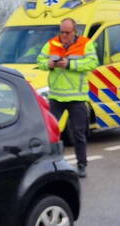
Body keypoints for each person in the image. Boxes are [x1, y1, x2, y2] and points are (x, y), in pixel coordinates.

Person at [37, 18, 98, 177]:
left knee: (79, 133)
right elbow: (39, 60)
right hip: (56, 96)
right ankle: (50, 164)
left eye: (67, 32)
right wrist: (49, 64)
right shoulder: (51, 44)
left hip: (77, 97)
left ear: (74, 31)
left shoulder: (85, 43)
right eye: (62, 32)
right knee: (50, 132)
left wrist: (70, 64)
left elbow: (92, 63)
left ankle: (81, 165)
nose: (64, 35)